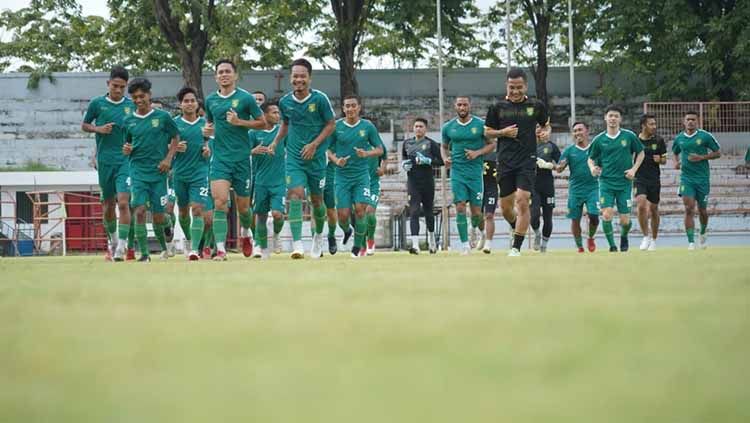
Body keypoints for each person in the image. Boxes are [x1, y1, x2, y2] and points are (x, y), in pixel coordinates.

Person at [268, 58, 336, 259]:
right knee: (295, 195)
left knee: (317, 201)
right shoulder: (285, 102)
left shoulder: (320, 99)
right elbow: (286, 125)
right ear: (291, 78)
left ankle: (317, 237)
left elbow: (331, 124)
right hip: (295, 158)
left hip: (316, 159)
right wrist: (275, 141)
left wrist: (315, 144)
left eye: (302, 76)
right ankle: (297, 244)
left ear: (309, 78)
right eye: (295, 76)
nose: (299, 79)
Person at [202, 59, 266, 261]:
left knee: (244, 208)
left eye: (227, 71)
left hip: (242, 159)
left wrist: (239, 122)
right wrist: (206, 131)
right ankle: (220, 249)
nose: (224, 75)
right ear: (215, 76)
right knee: (220, 203)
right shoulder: (211, 100)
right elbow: (209, 125)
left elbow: (263, 123)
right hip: (220, 159)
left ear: (235, 75)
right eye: (220, 72)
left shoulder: (246, 99)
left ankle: (248, 234)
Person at [484, 67, 551, 257]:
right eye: (512, 87)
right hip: (505, 161)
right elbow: (487, 131)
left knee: (522, 201)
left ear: (525, 86)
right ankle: (515, 226)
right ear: (507, 86)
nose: (515, 91)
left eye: (519, 87)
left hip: (527, 160)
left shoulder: (536, 106)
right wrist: (503, 133)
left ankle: (516, 247)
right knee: (506, 208)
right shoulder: (497, 108)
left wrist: (546, 132)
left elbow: (546, 124)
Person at [121, 78, 179, 262]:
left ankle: (165, 246)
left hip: (159, 173)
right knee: (138, 211)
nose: (139, 100)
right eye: (135, 97)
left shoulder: (163, 117)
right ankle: (144, 254)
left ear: (149, 95)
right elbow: (127, 143)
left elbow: (176, 137)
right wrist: (126, 149)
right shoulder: (128, 120)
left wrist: (168, 159)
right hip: (137, 171)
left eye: (142, 96)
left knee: (159, 217)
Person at [81, 65, 135, 261]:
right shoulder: (97, 104)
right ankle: (112, 242)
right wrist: (98, 129)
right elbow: (85, 125)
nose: (118, 90)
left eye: (122, 87)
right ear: (108, 83)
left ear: (126, 86)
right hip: (104, 161)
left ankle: (122, 246)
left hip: (125, 161)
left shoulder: (131, 106)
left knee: (123, 202)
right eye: (115, 86)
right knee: (108, 205)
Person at [327, 95, 384, 258]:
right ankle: (347, 230)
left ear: (359, 107)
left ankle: (358, 247)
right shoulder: (337, 127)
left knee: (360, 210)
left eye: (353, 106)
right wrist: (337, 160)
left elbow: (379, 149)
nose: (350, 109)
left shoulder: (367, 126)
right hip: (341, 177)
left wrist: (366, 153)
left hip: (361, 176)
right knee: (343, 216)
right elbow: (327, 149)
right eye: (347, 106)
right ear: (343, 109)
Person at [441, 96, 495, 255]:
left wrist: (477, 152)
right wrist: (445, 158)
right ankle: (465, 245)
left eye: (465, 104)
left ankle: (480, 231)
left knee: (477, 212)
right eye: (459, 104)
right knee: (460, 207)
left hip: (476, 173)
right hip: (457, 172)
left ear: (469, 106)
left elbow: (492, 144)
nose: (462, 107)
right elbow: (443, 147)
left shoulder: (480, 124)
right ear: (455, 106)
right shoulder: (448, 127)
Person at [588, 105, 645, 252]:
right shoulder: (599, 140)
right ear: (605, 118)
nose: (613, 118)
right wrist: (593, 168)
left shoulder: (629, 136)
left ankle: (624, 237)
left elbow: (641, 153)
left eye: (616, 116)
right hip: (606, 182)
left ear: (620, 119)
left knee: (625, 219)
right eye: (610, 115)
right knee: (607, 214)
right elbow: (590, 158)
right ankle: (612, 246)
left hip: (624, 183)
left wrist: (633, 169)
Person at [672, 111, 721, 250]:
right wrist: (675, 162)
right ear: (684, 121)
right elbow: (675, 152)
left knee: (703, 210)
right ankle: (691, 242)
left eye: (693, 119)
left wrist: (702, 157)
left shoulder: (705, 136)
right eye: (688, 119)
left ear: (697, 121)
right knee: (688, 208)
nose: (690, 122)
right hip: (686, 179)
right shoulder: (679, 138)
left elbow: (718, 153)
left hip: (702, 179)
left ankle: (703, 232)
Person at [172, 87, 211, 260]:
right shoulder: (173, 124)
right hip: (179, 174)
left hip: (199, 173)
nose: (189, 104)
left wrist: (208, 151)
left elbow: (212, 146)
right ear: (180, 104)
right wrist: (174, 147)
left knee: (197, 209)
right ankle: (189, 239)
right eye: (186, 101)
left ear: (197, 103)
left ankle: (195, 249)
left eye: (192, 100)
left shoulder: (206, 124)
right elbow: (163, 147)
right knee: (182, 212)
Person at [249, 102, 287, 259]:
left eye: (278, 113)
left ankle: (277, 234)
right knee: (261, 215)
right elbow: (242, 153)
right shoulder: (253, 133)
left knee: (278, 214)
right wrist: (252, 151)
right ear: (264, 115)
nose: (277, 116)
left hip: (278, 182)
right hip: (260, 181)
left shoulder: (282, 132)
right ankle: (260, 246)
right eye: (274, 112)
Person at [402, 118, 444, 254]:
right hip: (413, 182)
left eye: (421, 126)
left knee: (428, 212)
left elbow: (441, 161)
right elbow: (404, 158)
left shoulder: (431, 144)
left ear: (425, 129)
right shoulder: (407, 143)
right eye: (416, 126)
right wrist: (404, 165)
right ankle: (415, 245)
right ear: (413, 128)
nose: (418, 128)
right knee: (413, 211)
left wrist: (428, 161)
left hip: (427, 181)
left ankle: (432, 240)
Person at [556, 121, 599, 253]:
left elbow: (604, 164)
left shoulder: (595, 149)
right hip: (575, 190)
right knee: (575, 219)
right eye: (574, 131)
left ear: (587, 131)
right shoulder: (569, 151)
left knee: (594, 216)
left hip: (593, 188)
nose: (577, 133)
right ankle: (580, 247)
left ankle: (590, 237)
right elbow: (559, 168)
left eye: (580, 129)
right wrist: (558, 166)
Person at [635, 113, 667, 251]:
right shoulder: (635, 140)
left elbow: (665, 160)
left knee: (653, 209)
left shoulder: (659, 140)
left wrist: (659, 160)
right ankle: (645, 236)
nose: (654, 126)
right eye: (651, 124)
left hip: (654, 179)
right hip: (639, 178)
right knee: (641, 205)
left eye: (655, 124)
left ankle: (654, 239)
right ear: (643, 126)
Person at [531, 124, 560, 253]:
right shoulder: (527, 145)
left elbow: (561, 166)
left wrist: (549, 166)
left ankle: (544, 245)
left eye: (541, 127)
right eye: (536, 127)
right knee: (534, 215)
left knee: (548, 217)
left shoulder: (551, 146)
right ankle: (537, 233)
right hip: (532, 185)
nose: (538, 130)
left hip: (547, 184)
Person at [364, 130, 388, 256]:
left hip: (373, 183)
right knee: (357, 213)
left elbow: (385, 158)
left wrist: (383, 169)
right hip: (357, 183)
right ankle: (361, 241)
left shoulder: (378, 144)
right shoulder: (355, 142)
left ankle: (370, 240)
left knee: (369, 210)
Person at [249, 91, 266, 257]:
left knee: (260, 209)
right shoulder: (245, 122)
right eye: (255, 100)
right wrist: (251, 151)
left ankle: (260, 241)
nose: (258, 102)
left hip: (264, 174)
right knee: (248, 210)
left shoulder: (272, 125)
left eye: (261, 99)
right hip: (246, 172)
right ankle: (251, 236)